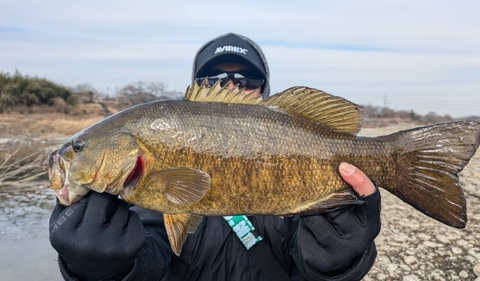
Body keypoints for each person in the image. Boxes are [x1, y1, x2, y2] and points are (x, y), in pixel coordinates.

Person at [49, 33, 382, 281]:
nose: (232, 85)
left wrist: (340, 260)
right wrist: (102, 268)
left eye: (247, 79)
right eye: (214, 79)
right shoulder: (139, 193)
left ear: (265, 88)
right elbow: (152, 260)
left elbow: (310, 271)